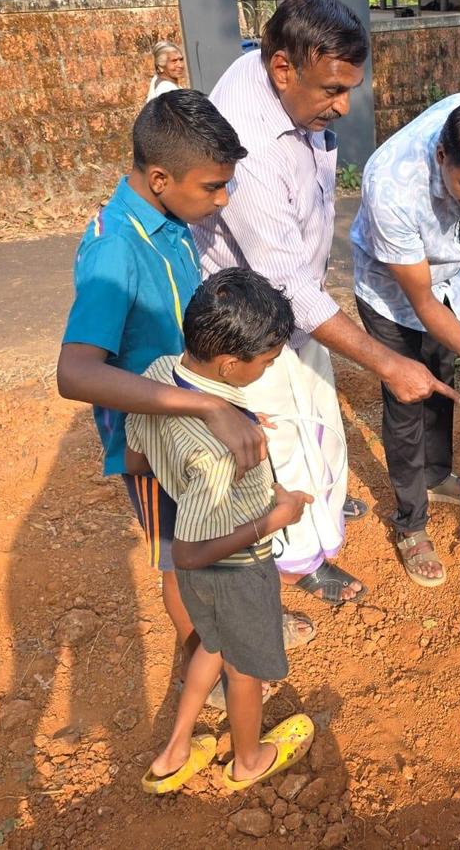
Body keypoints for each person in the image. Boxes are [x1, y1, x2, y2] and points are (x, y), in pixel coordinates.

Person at [191, 0, 460, 605]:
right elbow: (284, 284)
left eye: (350, 88)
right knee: (282, 440)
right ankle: (303, 559)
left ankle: (328, 505)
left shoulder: (280, 82)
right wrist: (388, 362)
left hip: (297, 306)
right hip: (253, 319)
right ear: (283, 68)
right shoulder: (249, 148)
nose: (344, 105)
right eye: (332, 90)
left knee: (319, 414)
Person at [57, 90, 313, 710]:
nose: (222, 200)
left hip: (196, 425)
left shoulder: (173, 221)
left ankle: (227, 637)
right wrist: (205, 407)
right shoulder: (114, 250)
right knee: (185, 558)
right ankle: (208, 655)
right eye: (213, 187)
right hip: (154, 444)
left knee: (220, 524)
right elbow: (74, 372)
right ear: (162, 177)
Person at [131, 269, 315, 794]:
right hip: (234, 568)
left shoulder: (161, 372)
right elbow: (188, 553)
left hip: (201, 584)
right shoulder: (218, 454)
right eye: (268, 360)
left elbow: (137, 453)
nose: (271, 365)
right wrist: (274, 518)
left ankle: (174, 751)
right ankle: (249, 759)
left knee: (211, 644)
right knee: (244, 669)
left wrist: (232, 416)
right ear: (232, 365)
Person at [351, 93, 460, 587]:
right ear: (440, 157)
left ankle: (437, 475)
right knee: (408, 397)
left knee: (442, 381)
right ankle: (410, 523)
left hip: (448, 286)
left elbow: (440, 307)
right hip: (393, 296)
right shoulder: (391, 187)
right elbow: (421, 304)